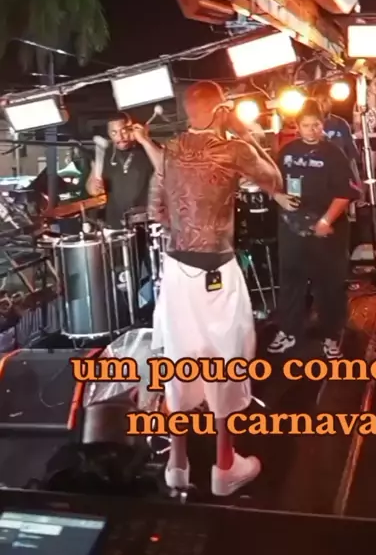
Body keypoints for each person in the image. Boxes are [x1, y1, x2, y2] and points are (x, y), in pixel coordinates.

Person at [147, 81, 281, 497]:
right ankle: (224, 468)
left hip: (177, 272)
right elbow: (274, 180)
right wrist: (241, 130)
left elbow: (156, 210)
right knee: (228, 359)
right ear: (220, 109)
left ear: (187, 111)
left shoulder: (169, 151)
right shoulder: (234, 148)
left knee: (178, 360)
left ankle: (177, 464)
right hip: (217, 270)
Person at [268, 99, 359, 358]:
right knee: (291, 281)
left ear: (323, 125)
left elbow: (345, 194)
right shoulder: (286, 152)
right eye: (306, 125)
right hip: (292, 228)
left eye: (316, 125)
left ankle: (332, 335)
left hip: (327, 229)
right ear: (297, 126)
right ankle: (288, 331)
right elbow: (272, 182)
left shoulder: (333, 153)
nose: (312, 130)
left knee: (329, 284)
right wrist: (277, 196)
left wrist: (326, 221)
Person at [86, 112, 158, 230]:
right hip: (116, 225)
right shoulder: (105, 154)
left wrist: (145, 140)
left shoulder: (146, 147)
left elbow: (163, 167)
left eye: (123, 131)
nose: (120, 137)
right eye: (114, 133)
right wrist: (95, 185)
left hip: (146, 222)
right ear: (109, 134)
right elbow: (92, 190)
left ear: (131, 129)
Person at [310, 82, 362, 188]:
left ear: (331, 101)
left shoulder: (340, 123)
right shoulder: (309, 125)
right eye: (317, 102)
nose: (321, 105)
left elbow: (351, 154)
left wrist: (356, 182)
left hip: (339, 173)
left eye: (324, 101)